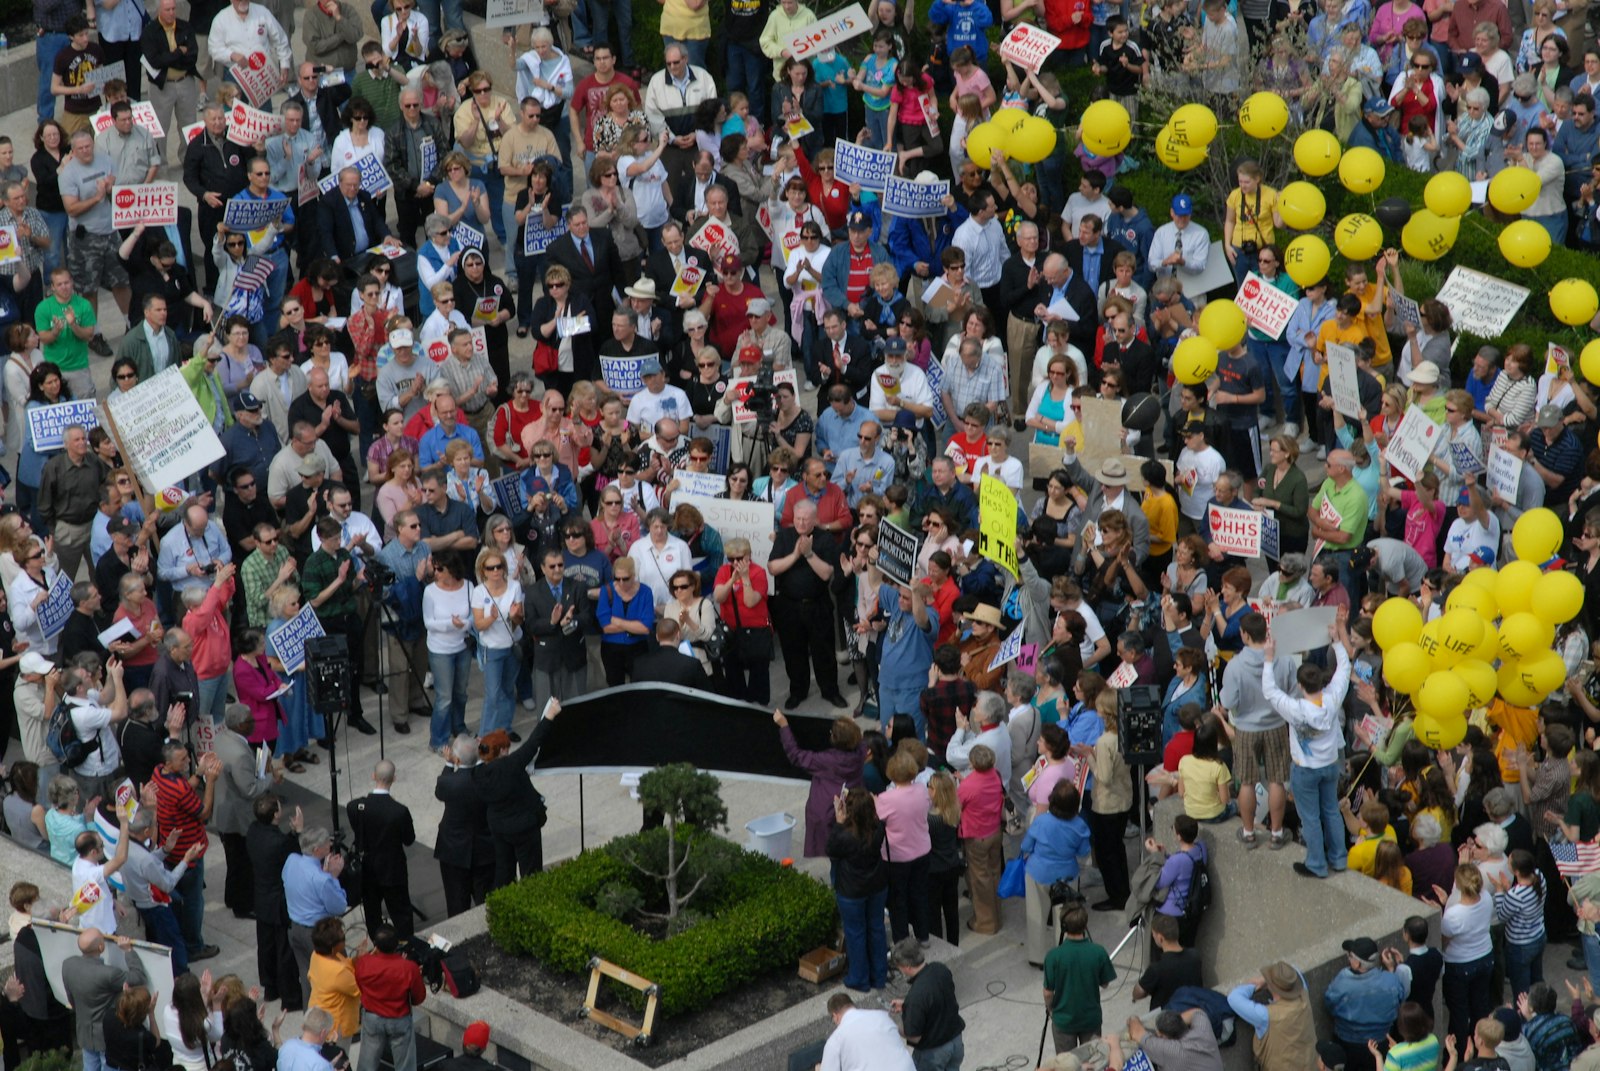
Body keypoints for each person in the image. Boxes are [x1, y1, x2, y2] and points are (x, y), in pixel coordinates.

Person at [472, 699, 562, 888]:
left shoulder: (478, 774)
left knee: (504, 871)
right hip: (523, 828)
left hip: (499, 827)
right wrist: (549, 716)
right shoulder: (511, 765)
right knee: (531, 873)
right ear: (503, 750)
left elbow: (482, 760)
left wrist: (484, 747)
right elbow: (534, 742)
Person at [212, 703, 277, 921]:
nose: (253, 724)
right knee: (242, 863)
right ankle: (243, 905)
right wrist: (270, 777)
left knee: (233, 861)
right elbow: (250, 789)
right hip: (237, 818)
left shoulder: (222, 738)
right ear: (240, 725)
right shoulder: (239, 754)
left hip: (224, 810)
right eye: (250, 721)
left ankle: (232, 897)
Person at [827, 789, 890, 994]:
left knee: (855, 933)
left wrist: (838, 821)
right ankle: (879, 975)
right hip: (877, 885)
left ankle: (859, 978)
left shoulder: (845, 836)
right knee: (876, 928)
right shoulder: (878, 828)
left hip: (852, 891)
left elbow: (831, 849)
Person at [63, 928, 146, 1071]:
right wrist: (128, 951)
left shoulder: (68, 964)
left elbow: (71, 998)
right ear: (101, 947)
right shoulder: (109, 974)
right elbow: (138, 977)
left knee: (89, 1067)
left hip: (84, 1031)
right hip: (107, 1036)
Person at [434, 734, 495, 917]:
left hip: (454, 852)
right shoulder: (488, 779)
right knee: (488, 903)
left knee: (456, 905)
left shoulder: (448, 782)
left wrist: (449, 764)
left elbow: (440, 792)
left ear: (457, 758)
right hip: (485, 850)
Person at [1043, 902, 1115, 1053]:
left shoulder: (1053, 956)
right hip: (1090, 1019)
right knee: (1093, 1062)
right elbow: (1105, 983)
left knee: (1066, 1065)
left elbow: (1048, 993)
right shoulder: (1098, 952)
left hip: (1064, 1021)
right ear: (1085, 925)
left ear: (1064, 926)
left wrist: (1051, 1009)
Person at [352, 924, 425, 1071]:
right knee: (405, 1066)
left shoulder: (364, 963)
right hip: (399, 1020)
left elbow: (360, 987)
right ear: (397, 944)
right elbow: (419, 998)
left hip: (372, 1019)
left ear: (376, 945)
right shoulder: (408, 968)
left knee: (366, 1065)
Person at [887, 938, 965, 1069]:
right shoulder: (940, 969)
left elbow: (914, 1037)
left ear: (907, 967)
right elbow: (936, 999)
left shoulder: (916, 997)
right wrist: (907, 1005)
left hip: (934, 1054)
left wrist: (893, 1027)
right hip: (956, 1042)